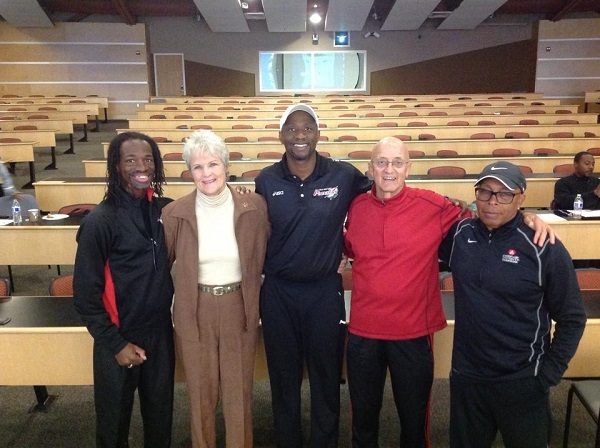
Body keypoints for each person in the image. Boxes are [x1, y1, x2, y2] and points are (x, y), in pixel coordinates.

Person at [343, 139, 555, 448]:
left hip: (413, 335)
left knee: (415, 426)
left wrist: (525, 217)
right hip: (363, 333)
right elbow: (348, 248)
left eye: (397, 162)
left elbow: (484, 215)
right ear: (370, 168)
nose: (389, 170)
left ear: (408, 168)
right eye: (382, 162)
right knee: (362, 425)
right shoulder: (356, 207)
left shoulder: (433, 205)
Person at [439, 161, 586, 448]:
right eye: (485, 192)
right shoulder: (459, 235)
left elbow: (572, 318)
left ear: (521, 198)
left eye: (504, 194)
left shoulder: (545, 246)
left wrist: (546, 377)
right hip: (467, 379)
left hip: (522, 381)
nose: (492, 202)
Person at [254, 103, 372, 447]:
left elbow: (382, 198)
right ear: (281, 136)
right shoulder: (266, 178)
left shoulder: (343, 175)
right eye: (291, 129)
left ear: (318, 134)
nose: (300, 135)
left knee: (325, 379)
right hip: (278, 293)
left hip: (324, 292)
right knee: (283, 379)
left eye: (307, 128)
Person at [161, 130, 270, 448]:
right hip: (195, 309)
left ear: (225, 165)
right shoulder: (175, 213)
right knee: (200, 396)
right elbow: (159, 269)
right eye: (197, 167)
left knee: (239, 395)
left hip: (239, 306)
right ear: (189, 171)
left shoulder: (254, 207)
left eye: (213, 164)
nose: (206, 173)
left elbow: (274, 251)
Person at [73, 131, 175, 448]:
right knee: (114, 426)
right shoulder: (99, 222)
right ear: (116, 166)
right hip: (118, 337)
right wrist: (117, 344)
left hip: (159, 334)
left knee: (160, 421)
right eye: (130, 160)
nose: (140, 166)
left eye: (147, 159)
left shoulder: (165, 211)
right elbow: (85, 297)